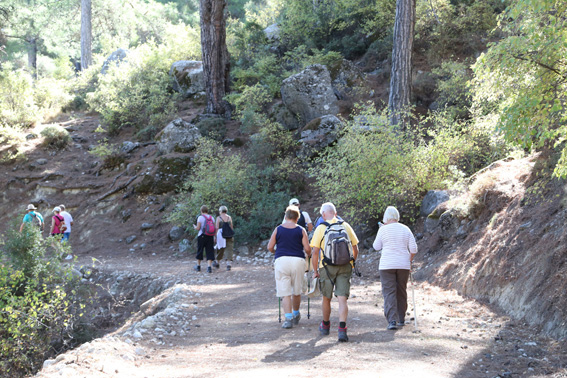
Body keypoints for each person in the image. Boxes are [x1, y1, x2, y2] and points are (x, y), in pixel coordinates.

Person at [310, 202, 359, 342]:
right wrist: (352, 263)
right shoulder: (345, 225)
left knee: (327, 297)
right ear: (335, 213)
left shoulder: (321, 228)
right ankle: (342, 330)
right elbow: (355, 248)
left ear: (324, 214)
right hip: (345, 266)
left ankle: (325, 325)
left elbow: (315, 252)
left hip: (326, 267)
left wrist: (315, 271)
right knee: (342, 298)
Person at [372, 206, 418, 330]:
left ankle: (392, 320)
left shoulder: (383, 230)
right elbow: (414, 249)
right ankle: (401, 318)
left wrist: (381, 231)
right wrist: (409, 259)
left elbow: (376, 247)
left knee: (389, 292)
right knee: (401, 290)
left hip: (387, 265)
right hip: (403, 264)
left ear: (385, 218)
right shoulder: (405, 229)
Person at [268, 205, 311, 329]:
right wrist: (309, 255)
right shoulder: (301, 230)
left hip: (282, 260)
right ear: (297, 218)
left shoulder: (278, 229)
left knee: (285, 292)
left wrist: (276, 252)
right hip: (298, 260)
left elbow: (270, 247)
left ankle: (288, 318)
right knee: (296, 291)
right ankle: (296, 314)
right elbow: (307, 249)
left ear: (285, 216)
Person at [193, 205, 216, 273]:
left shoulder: (200, 217)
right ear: (207, 210)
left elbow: (198, 228)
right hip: (210, 236)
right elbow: (214, 228)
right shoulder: (212, 218)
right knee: (209, 251)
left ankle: (198, 266)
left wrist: (194, 226)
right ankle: (209, 267)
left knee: (200, 250)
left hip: (202, 236)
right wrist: (215, 237)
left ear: (201, 211)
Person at [213, 206, 234, 271]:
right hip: (228, 235)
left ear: (220, 211)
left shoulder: (218, 218)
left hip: (221, 235)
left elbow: (216, 228)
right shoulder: (229, 217)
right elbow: (231, 227)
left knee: (220, 248)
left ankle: (217, 262)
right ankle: (228, 264)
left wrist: (215, 236)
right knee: (229, 248)